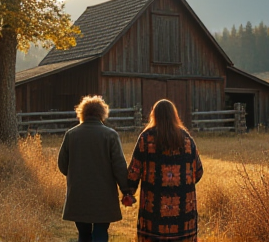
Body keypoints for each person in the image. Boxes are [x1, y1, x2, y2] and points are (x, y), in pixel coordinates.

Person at [127, 99, 203, 242]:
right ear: (174, 115)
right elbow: (198, 172)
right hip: (183, 214)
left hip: (153, 210)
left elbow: (134, 171)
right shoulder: (187, 139)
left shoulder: (146, 138)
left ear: (154, 115)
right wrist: (181, 185)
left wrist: (129, 192)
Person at [58, 95, 129, 242]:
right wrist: (126, 190)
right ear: (102, 113)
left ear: (82, 113)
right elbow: (119, 167)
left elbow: (62, 165)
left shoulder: (71, 134)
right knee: (101, 231)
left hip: (78, 193)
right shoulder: (110, 135)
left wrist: (76, 174)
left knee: (83, 233)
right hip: (104, 195)